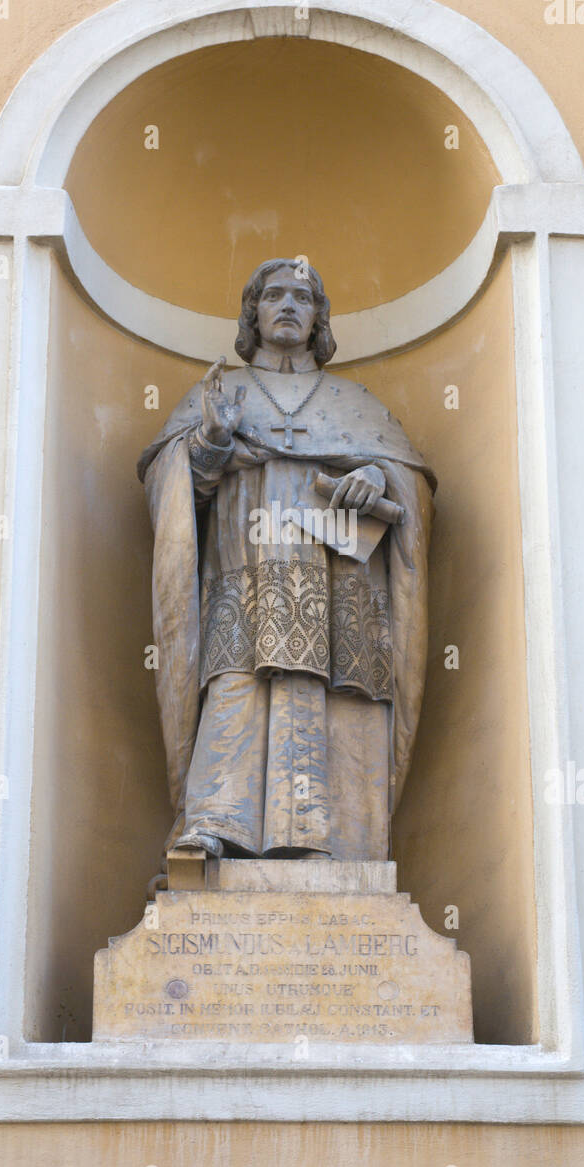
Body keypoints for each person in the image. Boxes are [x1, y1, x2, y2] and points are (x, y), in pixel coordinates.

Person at [138, 259, 435, 862]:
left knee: (338, 691)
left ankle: (334, 838)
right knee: (236, 683)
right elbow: (173, 502)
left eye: (303, 297)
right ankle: (217, 822)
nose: (288, 306)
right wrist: (211, 444)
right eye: (273, 295)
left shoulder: (354, 403)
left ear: (319, 317)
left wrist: (375, 474)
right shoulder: (217, 395)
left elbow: (414, 487)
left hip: (340, 580)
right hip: (243, 565)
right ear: (253, 313)